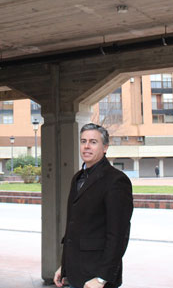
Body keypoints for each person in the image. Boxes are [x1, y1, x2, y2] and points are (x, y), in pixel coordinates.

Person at [54, 123, 134, 288]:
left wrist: (101, 278)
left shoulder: (116, 180)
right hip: (75, 274)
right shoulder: (77, 178)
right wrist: (65, 266)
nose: (86, 146)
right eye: (83, 141)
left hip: (97, 278)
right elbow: (73, 227)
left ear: (105, 147)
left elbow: (119, 235)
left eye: (93, 142)